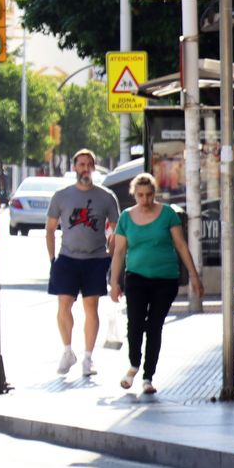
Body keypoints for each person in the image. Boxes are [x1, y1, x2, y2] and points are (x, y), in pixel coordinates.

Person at [108, 173, 203, 396]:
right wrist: (114, 282)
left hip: (165, 278)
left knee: (154, 325)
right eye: (140, 195)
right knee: (135, 323)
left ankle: (148, 376)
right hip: (136, 277)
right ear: (134, 194)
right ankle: (133, 364)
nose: (145, 200)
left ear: (154, 193)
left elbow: (180, 245)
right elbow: (119, 251)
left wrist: (194, 277)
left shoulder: (167, 214)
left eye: (149, 195)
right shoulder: (126, 217)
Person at [46, 149, 120, 378]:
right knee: (64, 306)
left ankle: (88, 357)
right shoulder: (61, 196)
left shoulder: (106, 197)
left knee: (91, 307)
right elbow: (49, 229)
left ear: (94, 168)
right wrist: (52, 260)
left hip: (95, 259)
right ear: (74, 167)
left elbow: (116, 231)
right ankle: (68, 351)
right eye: (81, 164)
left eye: (89, 164)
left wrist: (111, 253)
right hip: (67, 258)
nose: (85, 168)